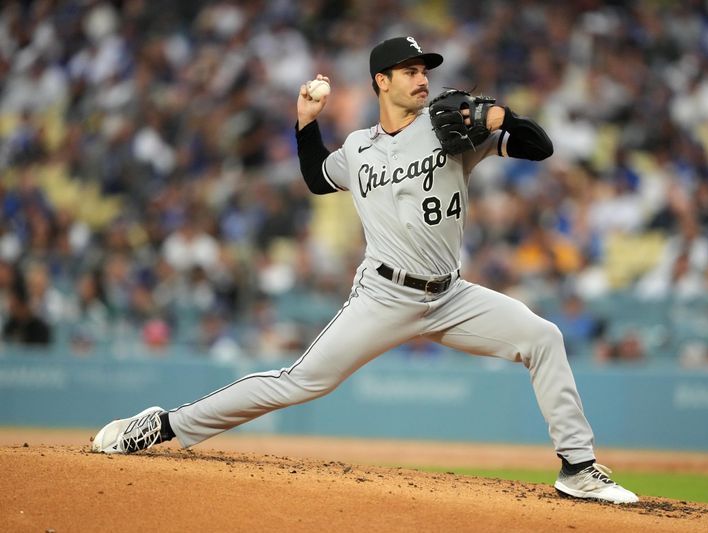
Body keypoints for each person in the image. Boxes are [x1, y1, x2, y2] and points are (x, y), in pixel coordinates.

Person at [91, 36, 638, 505]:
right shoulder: (358, 149)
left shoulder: (449, 128)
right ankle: (165, 425)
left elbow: (539, 149)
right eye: (410, 72)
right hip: (383, 295)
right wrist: (305, 124)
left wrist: (503, 118)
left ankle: (577, 469)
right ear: (382, 81)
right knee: (299, 383)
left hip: (452, 296)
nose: (422, 80)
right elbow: (314, 178)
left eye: (425, 71)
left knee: (542, 337)